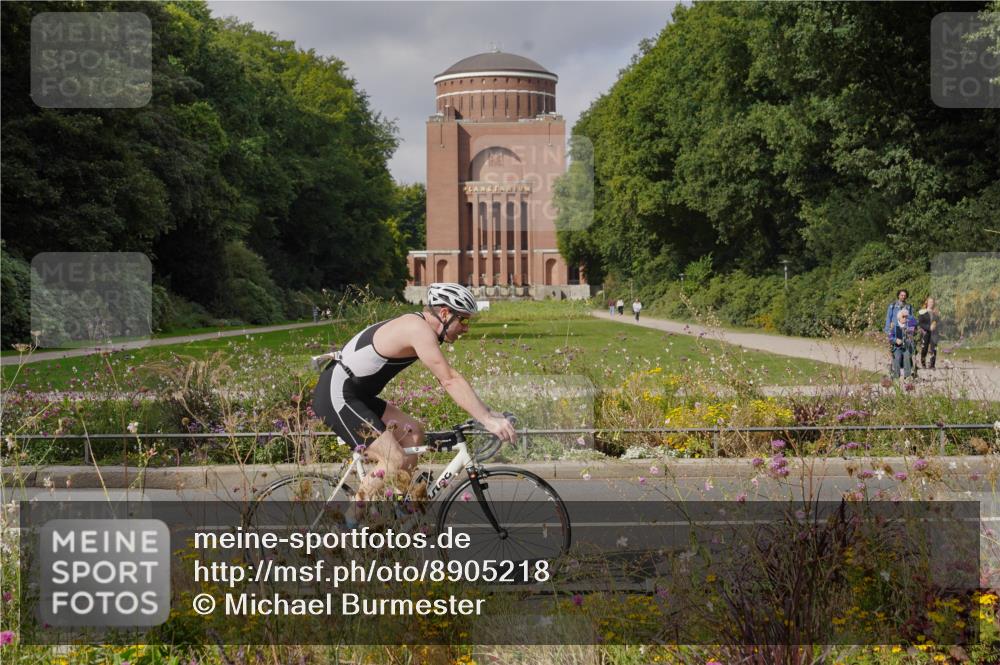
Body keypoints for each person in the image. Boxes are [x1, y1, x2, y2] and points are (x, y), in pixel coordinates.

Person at [310, 283, 516, 499]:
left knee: (414, 432)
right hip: (337, 395)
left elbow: (450, 379)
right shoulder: (417, 329)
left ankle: (400, 505)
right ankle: (353, 517)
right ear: (444, 313)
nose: (466, 328)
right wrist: (487, 420)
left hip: (357, 394)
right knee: (393, 460)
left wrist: (488, 413)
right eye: (463, 320)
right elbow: (449, 379)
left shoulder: (420, 327)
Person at [888, 308, 917, 380]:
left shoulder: (909, 324)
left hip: (907, 347)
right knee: (897, 357)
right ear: (899, 318)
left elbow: (915, 321)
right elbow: (890, 337)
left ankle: (907, 376)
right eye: (903, 317)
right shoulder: (894, 326)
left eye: (906, 317)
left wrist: (907, 315)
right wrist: (895, 340)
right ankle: (896, 376)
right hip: (897, 347)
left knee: (907, 356)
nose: (905, 318)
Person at [917, 297, 940, 369]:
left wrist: (935, 326)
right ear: (927, 302)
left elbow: (939, 322)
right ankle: (923, 363)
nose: (931, 303)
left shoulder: (936, 313)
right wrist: (929, 327)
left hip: (934, 333)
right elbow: (920, 323)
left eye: (932, 302)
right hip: (925, 333)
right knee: (924, 348)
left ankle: (932, 365)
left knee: (934, 349)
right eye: (930, 302)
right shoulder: (922, 312)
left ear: (934, 303)